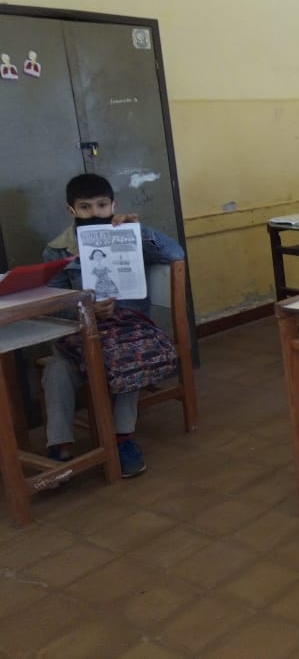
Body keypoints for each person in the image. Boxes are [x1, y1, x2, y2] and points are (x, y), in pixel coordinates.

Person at [43, 173, 185, 478]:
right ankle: (59, 446)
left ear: (113, 205)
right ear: (72, 210)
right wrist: (86, 310)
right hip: (81, 334)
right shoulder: (57, 250)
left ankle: (122, 439)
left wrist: (139, 230)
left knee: (127, 356)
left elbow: (176, 253)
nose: (95, 213)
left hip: (130, 332)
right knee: (56, 369)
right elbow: (53, 304)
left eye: (102, 205)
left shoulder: (130, 234)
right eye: (85, 207)